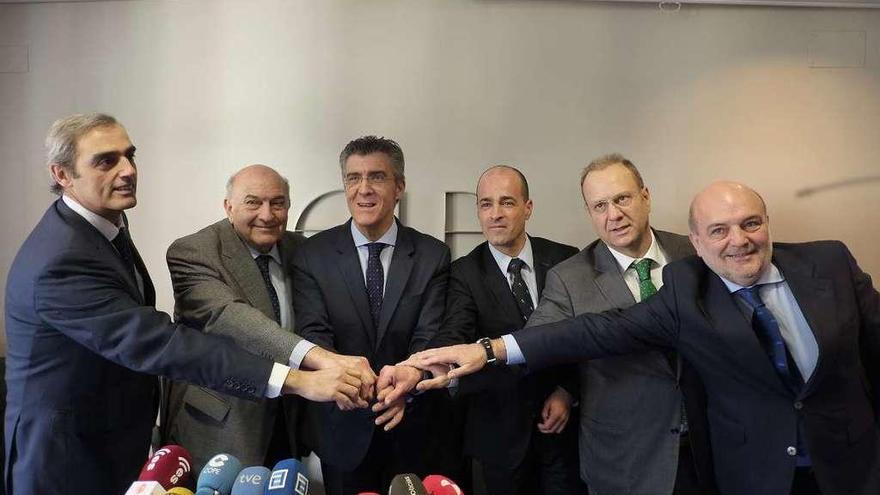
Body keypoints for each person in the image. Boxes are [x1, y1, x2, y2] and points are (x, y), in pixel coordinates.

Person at [408, 181, 880, 495]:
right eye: (719, 230)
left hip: (852, 468)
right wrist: (488, 350)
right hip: (753, 475)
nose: (738, 240)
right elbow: (593, 331)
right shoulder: (688, 286)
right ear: (697, 242)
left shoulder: (831, 264)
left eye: (750, 224)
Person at [3, 114, 366, 495]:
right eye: (106, 161)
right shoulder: (62, 258)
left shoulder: (106, 229)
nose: (128, 170)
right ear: (62, 174)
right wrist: (298, 378)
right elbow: (163, 342)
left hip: (114, 444)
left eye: (130, 155)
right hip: (65, 460)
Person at [163, 164, 377, 472]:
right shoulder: (193, 251)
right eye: (253, 202)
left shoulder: (302, 250)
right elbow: (231, 316)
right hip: (223, 424)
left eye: (277, 203)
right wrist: (321, 358)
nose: (267, 214)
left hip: (289, 420)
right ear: (228, 206)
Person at [525, 154, 710, 495]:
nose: (613, 215)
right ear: (590, 214)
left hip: (707, 450)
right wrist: (479, 354)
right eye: (600, 206)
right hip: (625, 464)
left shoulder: (695, 253)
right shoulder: (569, 278)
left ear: (645, 196)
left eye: (622, 199)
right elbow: (537, 341)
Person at [291, 136, 450, 495]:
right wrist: (350, 384)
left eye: (377, 177)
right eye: (353, 178)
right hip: (342, 424)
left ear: (399, 187)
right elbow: (314, 334)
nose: (364, 190)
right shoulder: (312, 255)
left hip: (411, 424)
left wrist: (404, 392)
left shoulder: (432, 255)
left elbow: (431, 336)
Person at [429, 165, 581, 495]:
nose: (495, 214)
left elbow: (586, 336)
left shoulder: (566, 260)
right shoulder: (463, 273)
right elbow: (454, 332)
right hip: (500, 439)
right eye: (486, 204)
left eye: (507, 202)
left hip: (566, 436)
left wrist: (567, 391)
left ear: (528, 208)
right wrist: (430, 363)